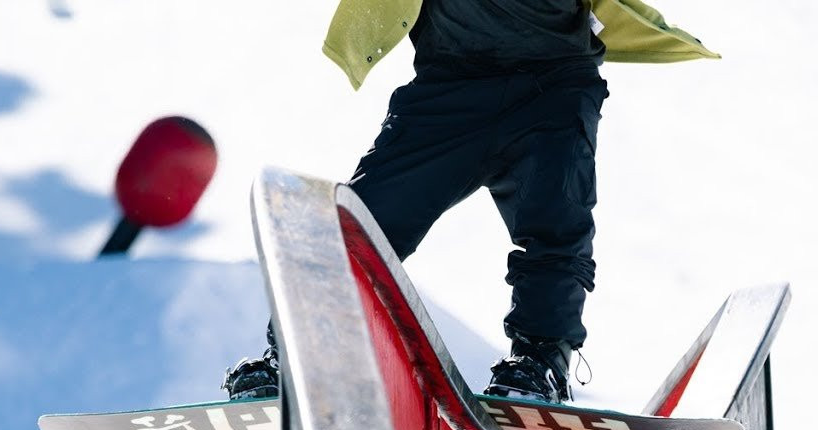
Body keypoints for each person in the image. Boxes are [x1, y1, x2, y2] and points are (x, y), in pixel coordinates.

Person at [223, 0, 717, 403]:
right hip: (448, 89)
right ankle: (302, 347)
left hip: (554, 84)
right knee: (365, 220)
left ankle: (542, 361)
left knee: (556, 224)